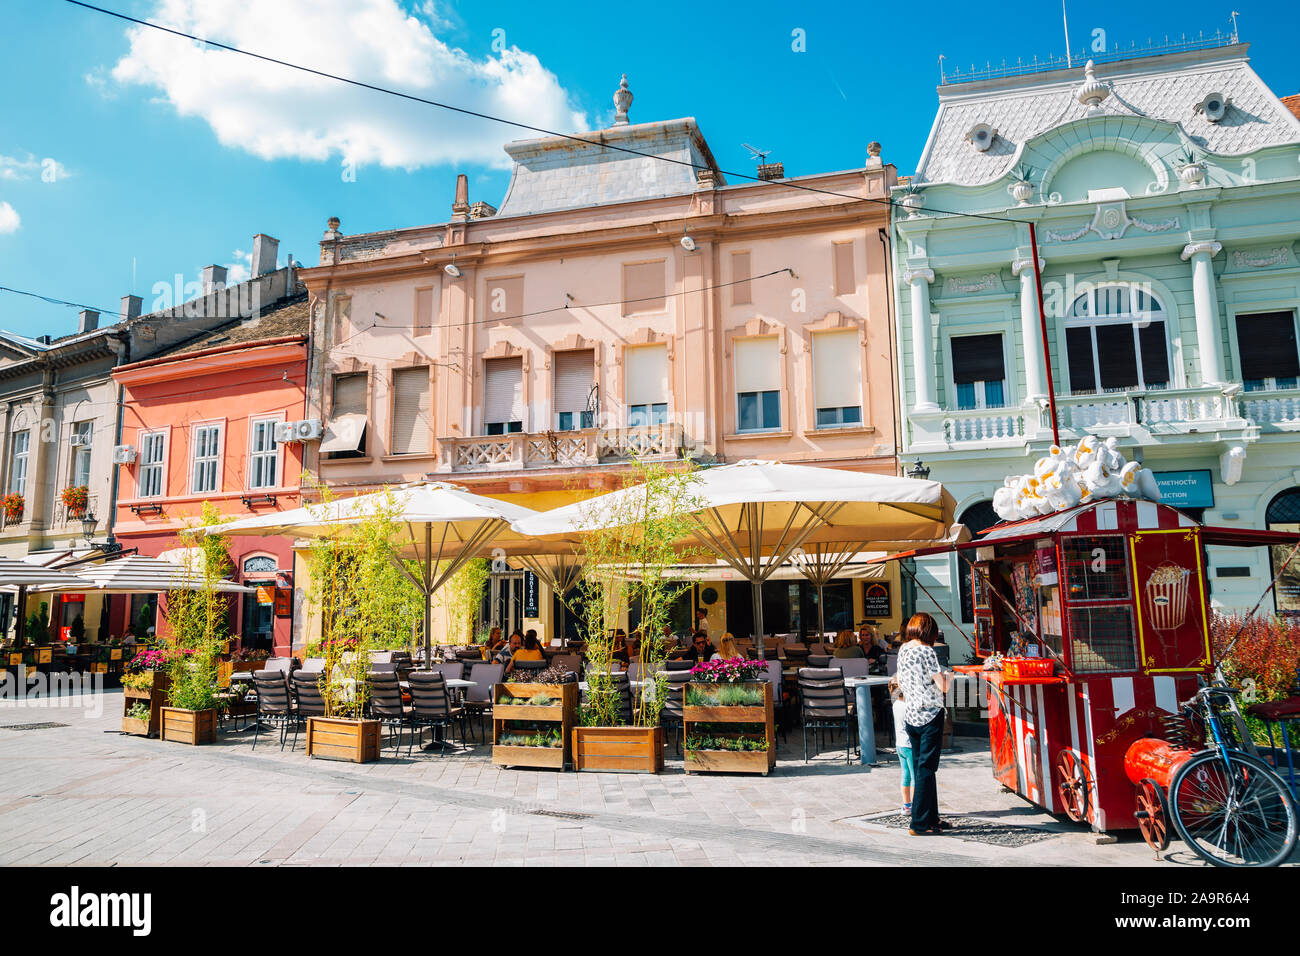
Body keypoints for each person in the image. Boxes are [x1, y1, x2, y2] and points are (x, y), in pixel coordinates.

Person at [897, 612, 953, 836]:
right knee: (927, 770)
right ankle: (918, 824)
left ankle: (931, 818)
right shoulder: (927, 651)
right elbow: (943, 687)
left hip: (911, 715)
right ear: (929, 630)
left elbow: (900, 680)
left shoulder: (903, 649)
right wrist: (949, 676)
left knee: (924, 768)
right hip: (930, 715)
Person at [889, 677, 914, 816]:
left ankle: (906, 805)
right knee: (916, 776)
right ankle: (917, 805)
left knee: (905, 775)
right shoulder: (908, 706)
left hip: (900, 745)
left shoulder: (896, 704)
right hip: (910, 745)